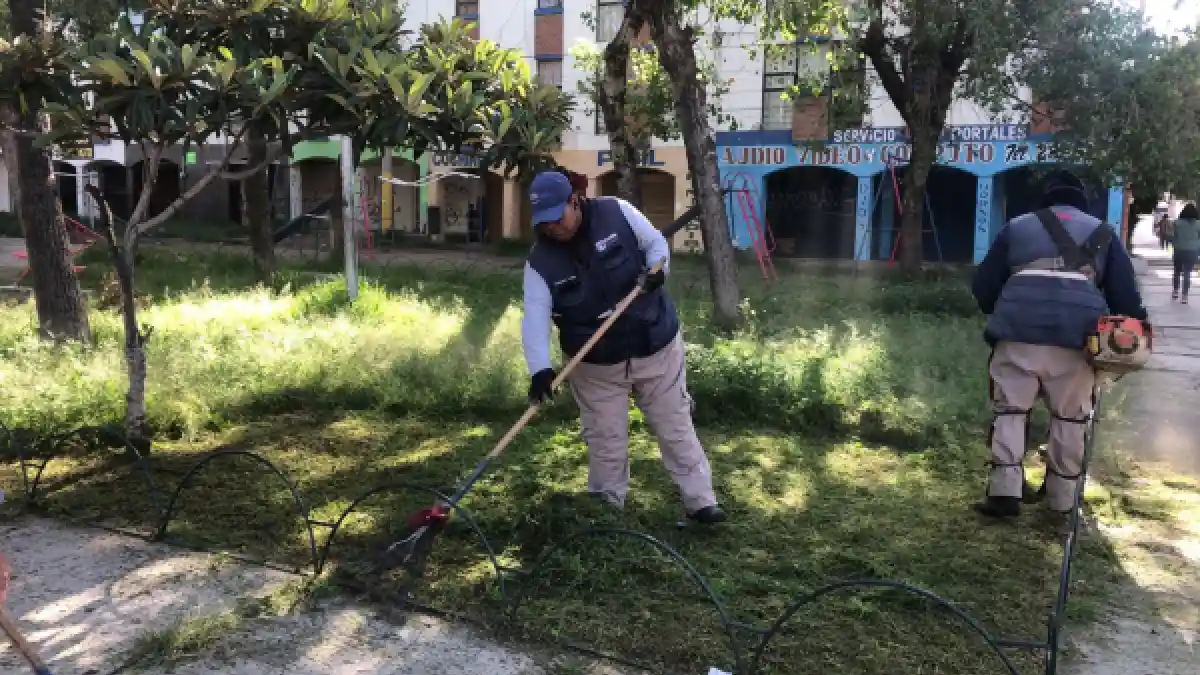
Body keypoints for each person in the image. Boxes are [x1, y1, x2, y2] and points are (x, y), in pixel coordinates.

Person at [521, 171, 727, 524]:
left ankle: (701, 503)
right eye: (544, 223)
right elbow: (535, 319)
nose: (553, 228)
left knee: (674, 424)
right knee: (606, 439)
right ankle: (606, 511)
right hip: (595, 365)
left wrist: (658, 270)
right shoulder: (539, 262)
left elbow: (656, 247)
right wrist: (540, 369)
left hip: (655, 344)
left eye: (558, 217)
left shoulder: (617, 211)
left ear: (575, 201)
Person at [971, 173, 1148, 526]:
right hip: (1077, 339)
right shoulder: (1103, 232)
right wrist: (1136, 327)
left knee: (1010, 411)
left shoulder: (1016, 227)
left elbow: (983, 285)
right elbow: (1125, 298)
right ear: (1080, 203)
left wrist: (1006, 310)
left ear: (1045, 203)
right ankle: (1062, 500)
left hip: (1017, 333)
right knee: (1069, 417)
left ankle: (1004, 492)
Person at [1171, 203, 1200, 303]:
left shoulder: (1177, 223)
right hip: (1192, 250)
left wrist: (1175, 245)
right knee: (1187, 273)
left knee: (1177, 271)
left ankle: (1175, 291)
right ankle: (1184, 297)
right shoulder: (1198, 224)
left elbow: (1173, 236)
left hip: (1179, 249)